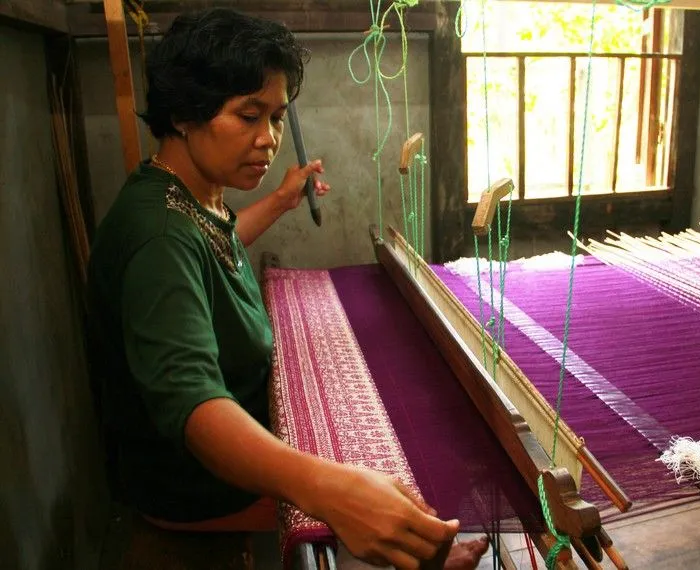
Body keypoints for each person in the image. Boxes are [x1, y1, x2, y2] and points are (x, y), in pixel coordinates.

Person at [86, 7, 489, 570]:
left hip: (209, 458)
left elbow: (214, 244)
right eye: (248, 116)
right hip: (193, 485)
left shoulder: (184, 191)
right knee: (388, 474)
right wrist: (328, 489)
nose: (269, 139)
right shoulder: (156, 234)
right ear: (183, 113)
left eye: (276, 118)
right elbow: (191, 405)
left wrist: (279, 200)